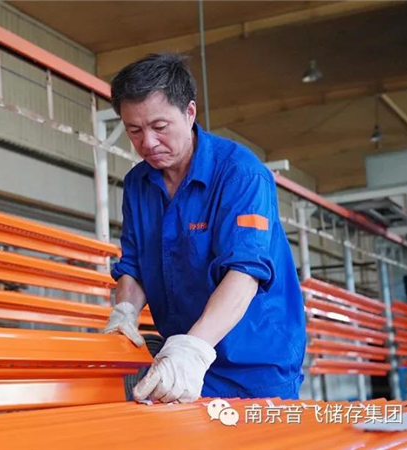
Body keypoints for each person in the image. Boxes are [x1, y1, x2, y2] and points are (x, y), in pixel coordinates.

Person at [104, 53, 306, 403]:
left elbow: (245, 272)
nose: (147, 142)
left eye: (160, 127)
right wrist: (125, 313)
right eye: (134, 131)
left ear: (190, 112)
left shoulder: (241, 174)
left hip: (255, 364)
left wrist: (193, 349)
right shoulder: (138, 183)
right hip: (180, 362)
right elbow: (134, 266)